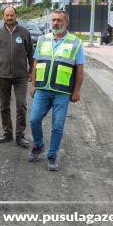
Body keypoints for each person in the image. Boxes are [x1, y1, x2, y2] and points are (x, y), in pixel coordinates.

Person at [27, 10, 86, 171]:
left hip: (62, 91)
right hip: (42, 89)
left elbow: (79, 69)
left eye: (59, 20)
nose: (55, 23)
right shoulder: (42, 39)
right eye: (53, 20)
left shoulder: (75, 43)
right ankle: (38, 145)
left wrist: (76, 91)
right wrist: (33, 84)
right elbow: (36, 62)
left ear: (66, 22)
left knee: (57, 125)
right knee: (34, 119)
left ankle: (52, 156)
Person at [0, 6, 34, 148]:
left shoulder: (25, 33)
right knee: (4, 106)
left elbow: (31, 54)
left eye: (12, 15)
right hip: (3, 75)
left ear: (16, 16)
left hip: (21, 76)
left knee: (21, 105)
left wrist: (31, 72)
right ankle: (7, 133)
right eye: (7, 15)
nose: (9, 18)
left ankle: (20, 135)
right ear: (3, 17)